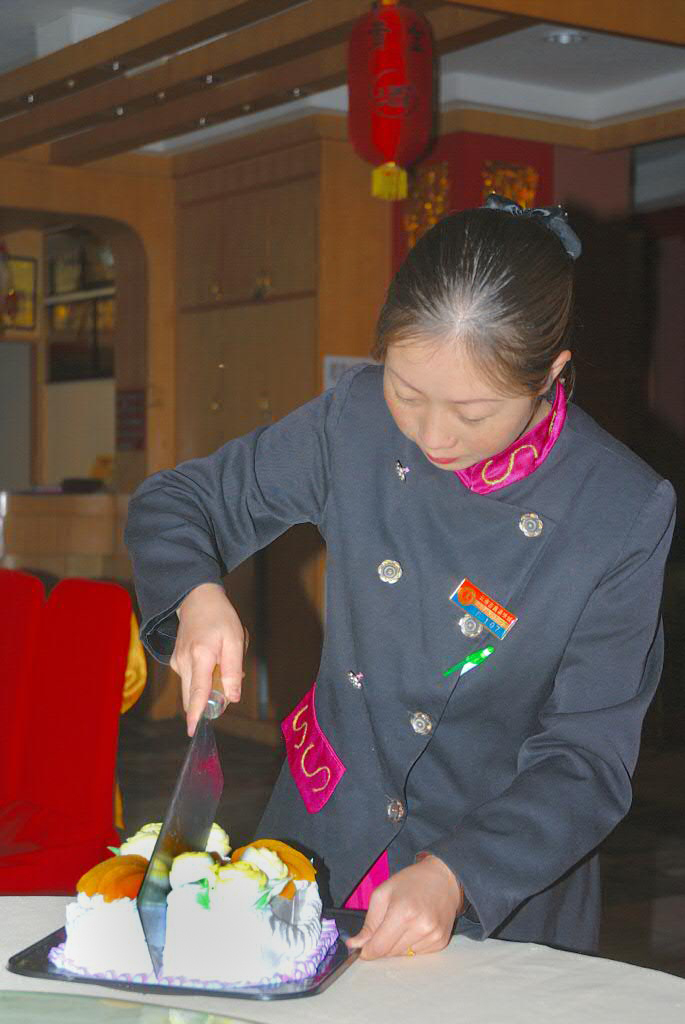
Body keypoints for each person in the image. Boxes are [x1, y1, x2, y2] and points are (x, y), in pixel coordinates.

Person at [125, 195, 675, 961]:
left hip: (493, 877)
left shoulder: (617, 509)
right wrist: (196, 594)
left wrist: (458, 873)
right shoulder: (353, 419)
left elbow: (585, 756)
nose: (433, 436)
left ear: (550, 375)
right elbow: (179, 500)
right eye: (407, 394)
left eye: (474, 411)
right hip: (320, 833)